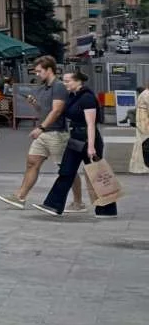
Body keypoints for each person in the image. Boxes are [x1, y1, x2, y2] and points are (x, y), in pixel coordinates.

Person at [0, 55, 83, 211]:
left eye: (38, 71)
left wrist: (41, 128)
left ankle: (78, 202)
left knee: (66, 169)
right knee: (32, 162)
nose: (36, 74)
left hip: (56, 133)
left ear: (49, 69)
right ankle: (20, 197)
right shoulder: (43, 88)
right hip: (44, 133)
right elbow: (44, 110)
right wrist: (35, 105)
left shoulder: (58, 86)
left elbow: (57, 111)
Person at [36, 69, 117, 219]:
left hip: (87, 139)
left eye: (68, 81)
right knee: (66, 171)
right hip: (75, 138)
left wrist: (92, 147)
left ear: (78, 81)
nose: (65, 83)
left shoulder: (87, 97)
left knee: (98, 175)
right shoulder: (73, 96)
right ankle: (53, 205)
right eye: (64, 81)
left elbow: (91, 124)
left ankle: (107, 210)